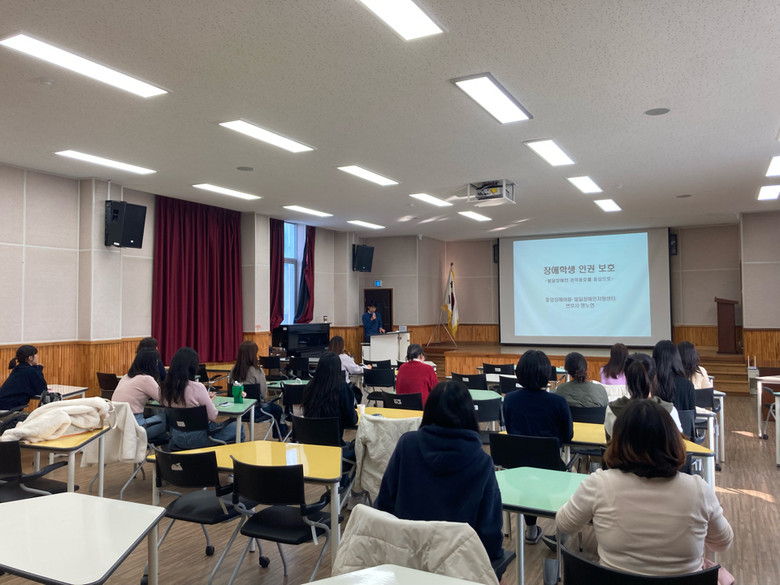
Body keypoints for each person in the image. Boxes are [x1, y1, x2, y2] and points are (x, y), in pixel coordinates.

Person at [556, 399, 733, 576]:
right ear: (673, 441)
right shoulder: (698, 490)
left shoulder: (599, 484)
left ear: (617, 441)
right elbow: (722, 543)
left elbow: (564, 524)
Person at [375, 380, 505, 572]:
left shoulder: (407, 445)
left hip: (405, 561)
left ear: (428, 411)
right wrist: (496, 569)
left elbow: (384, 504)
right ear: (470, 414)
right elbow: (489, 530)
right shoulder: (482, 462)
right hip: (458, 567)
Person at [503, 349, 572, 544]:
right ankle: (562, 531)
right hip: (552, 471)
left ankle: (531, 530)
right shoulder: (558, 401)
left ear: (519, 373)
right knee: (573, 475)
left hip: (517, 472)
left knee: (530, 476)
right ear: (546, 374)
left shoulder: (509, 399)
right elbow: (568, 436)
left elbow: (510, 430)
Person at [159, 347, 241, 449]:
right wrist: (209, 401)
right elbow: (213, 415)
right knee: (238, 428)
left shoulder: (165, 388)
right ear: (193, 367)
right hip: (200, 437)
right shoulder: (197, 387)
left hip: (177, 438)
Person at [605, 353, 682, 438]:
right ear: (655, 378)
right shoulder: (669, 411)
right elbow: (678, 442)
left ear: (626, 379)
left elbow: (610, 442)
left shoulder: (612, 410)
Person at [302, 352, 358, 455]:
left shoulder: (309, 386)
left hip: (309, 449)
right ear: (338, 368)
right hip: (335, 449)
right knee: (361, 448)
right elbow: (351, 420)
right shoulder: (342, 387)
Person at [228, 340, 287, 438]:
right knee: (278, 409)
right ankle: (281, 435)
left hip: (236, 411)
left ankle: (285, 431)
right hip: (254, 411)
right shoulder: (257, 371)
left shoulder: (233, 370)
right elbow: (263, 394)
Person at [112, 348, 166, 439]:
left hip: (117, 426)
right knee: (167, 417)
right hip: (136, 427)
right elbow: (164, 401)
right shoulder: (146, 379)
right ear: (152, 364)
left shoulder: (125, 377)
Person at [0, 345, 48, 410]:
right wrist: (38, 370)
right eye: (36, 354)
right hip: (8, 407)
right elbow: (42, 390)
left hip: (3, 403)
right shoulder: (31, 371)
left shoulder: (18, 368)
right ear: (30, 358)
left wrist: (36, 369)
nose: (37, 356)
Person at [653, 340, 696, 412]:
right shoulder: (687, 385)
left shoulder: (651, 383)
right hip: (682, 420)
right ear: (677, 359)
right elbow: (692, 415)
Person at [328, 336, 371, 404]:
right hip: (343, 387)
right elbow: (355, 370)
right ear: (342, 346)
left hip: (328, 388)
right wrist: (367, 367)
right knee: (357, 392)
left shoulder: (325, 357)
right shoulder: (344, 357)